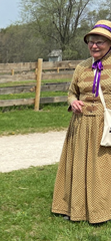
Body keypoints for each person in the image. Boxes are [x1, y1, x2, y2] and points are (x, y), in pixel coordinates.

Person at [52, 20, 111, 223]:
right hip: (80, 124)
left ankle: (101, 211)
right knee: (79, 167)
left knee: (102, 169)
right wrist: (73, 102)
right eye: (91, 42)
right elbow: (71, 93)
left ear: (110, 43)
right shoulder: (81, 67)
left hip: (105, 126)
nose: (94, 46)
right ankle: (76, 208)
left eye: (100, 42)